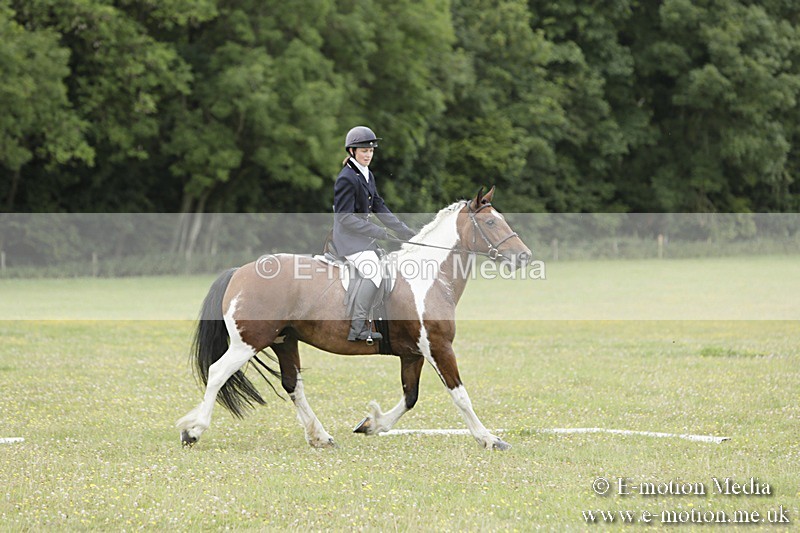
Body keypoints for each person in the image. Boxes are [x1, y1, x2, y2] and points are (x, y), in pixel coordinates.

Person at [332, 126, 416, 342]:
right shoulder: (347, 178)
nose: (368, 155)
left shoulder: (366, 174)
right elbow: (345, 217)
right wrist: (378, 231)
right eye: (363, 151)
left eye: (370, 151)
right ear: (352, 151)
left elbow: (378, 205)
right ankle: (358, 327)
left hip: (362, 239)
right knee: (374, 272)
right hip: (348, 240)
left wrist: (405, 231)